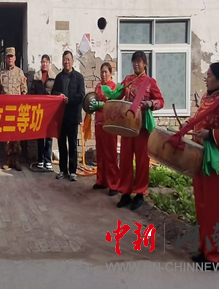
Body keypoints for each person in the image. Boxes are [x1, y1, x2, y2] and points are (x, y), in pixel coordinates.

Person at [173, 63, 219, 270]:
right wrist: (187, 126)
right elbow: (199, 120)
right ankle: (204, 250)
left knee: (213, 211)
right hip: (201, 160)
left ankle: (214, 256)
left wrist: (210, 134)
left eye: (210, 75)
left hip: (216, 165)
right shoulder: (207, 99)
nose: (206, 78)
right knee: (202, 209)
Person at [117, 51, 164, 210]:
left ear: (145, 64)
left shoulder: (150, 82)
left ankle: (139, 193)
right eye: (134, 61)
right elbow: (118, 95)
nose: (136, 64)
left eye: (139, 61)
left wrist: (151, 104)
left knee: (142, 160)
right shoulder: (127, 80)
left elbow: (161, 101)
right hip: (127, 125)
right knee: (125, 159)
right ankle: (125, 192)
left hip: (142, 127)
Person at [51, 50, 85, 181]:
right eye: (64, 59)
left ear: (72, 61)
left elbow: (81, 95)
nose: (66, 62)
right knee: (61, 144)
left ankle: (73, 171)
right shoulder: (59, 77)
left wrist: (69, 100)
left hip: (73, 116)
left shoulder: (79, 77)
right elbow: (53, 92)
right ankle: (63, 170)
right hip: (61, 117)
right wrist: (58, 95)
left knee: (72, 145)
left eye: (68, 59)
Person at [88, 62, 118, 195]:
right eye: (102, 72)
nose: (104, 74)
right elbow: (93, 100)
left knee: (110, 154)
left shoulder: (114, 87)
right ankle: (101, 180)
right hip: (99, 124)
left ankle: (114, 184)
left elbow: (114, 105)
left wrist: (101, 104)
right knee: (100, 153)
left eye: (106, 72)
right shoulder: (98, 86)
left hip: (110, 125)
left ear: (111, 73)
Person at [0, 47, 27, 171]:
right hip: (6, 111)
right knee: (7, 136)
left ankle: (16, 160)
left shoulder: (20, 73)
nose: (10, 59)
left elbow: (24, 90)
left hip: (17, 110)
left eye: (12, 56)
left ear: (15, 58)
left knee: (17, 136)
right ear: (6, 58)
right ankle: (8, 160)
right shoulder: (2, 74)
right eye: (8, 57)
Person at [30, 54, 57, 170]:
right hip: (39, 110)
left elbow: (56, 93)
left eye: (46, 62)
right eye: (43, 62)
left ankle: (48, 160)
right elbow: (32, 93)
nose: (44, 64)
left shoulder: (54, 77)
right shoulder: (36, 77)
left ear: (49, 63)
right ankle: (40, 159)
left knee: (49, 136)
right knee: (40, 135)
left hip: (50, 111)